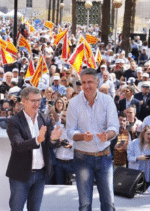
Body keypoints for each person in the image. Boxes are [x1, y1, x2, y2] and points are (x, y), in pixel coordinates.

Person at [66, 68, 119, 211]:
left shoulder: (107, 101)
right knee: (85, 204)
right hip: (82, 158)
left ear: (98, 82)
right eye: (83, 82)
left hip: (104, 156)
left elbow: (114, 126)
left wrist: (106, 136)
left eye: (90, 82)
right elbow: (70, 132)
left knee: (109, 203)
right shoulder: (74, 103)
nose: (86, 86)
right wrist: (82, 136)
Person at [6, 86, 63, 211]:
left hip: (40, 175)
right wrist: (37, 140)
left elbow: (50, 145)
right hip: (20, 175)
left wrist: (54, 139)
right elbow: (18, 145)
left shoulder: (45, 119)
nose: (37, 104)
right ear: (24, 101)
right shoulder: (14, 122)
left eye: (39, 100)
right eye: (33, 100)